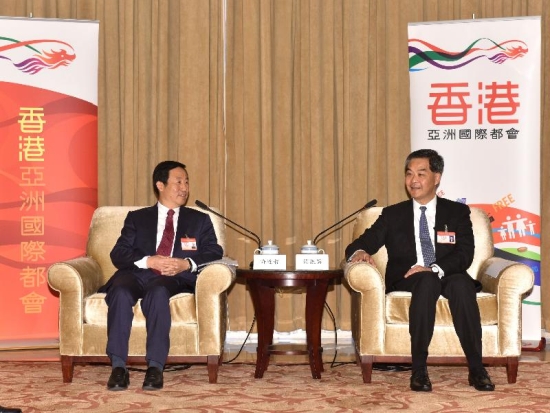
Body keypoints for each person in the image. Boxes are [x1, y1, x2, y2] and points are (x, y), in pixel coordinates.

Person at [345, 149, 494, 392]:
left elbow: (465, 254)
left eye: (421, 174)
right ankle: (419, 369)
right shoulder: (393, 214)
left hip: (448, 272)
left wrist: (434, 267)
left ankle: (477, 369)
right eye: (409, 174)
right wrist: (358, 253)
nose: (413, 180)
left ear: (437, 177)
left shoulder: (456, 212)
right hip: (408, 278)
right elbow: (361, 243)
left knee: (461, 285)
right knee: (426, 282)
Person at [99, 161, 223, 391]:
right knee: (120, 290)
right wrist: (149, 260)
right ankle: (118, 367)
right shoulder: (137, 218)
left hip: (174, 278)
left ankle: (155, 368)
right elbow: (119, 253)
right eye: (178, 182)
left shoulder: (199, 220)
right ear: (160, 185)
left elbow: (215, 251)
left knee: (157, 291)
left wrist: (186, 264)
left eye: (186, 182)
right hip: (137, 273)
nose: (184, 187)